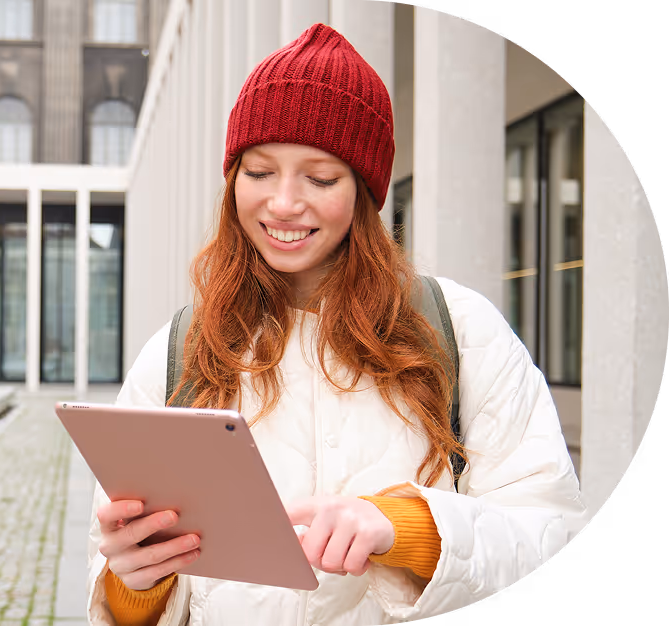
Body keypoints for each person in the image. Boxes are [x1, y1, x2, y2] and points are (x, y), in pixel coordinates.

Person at [85, 23, 587, 626]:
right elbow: (118, 572)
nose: (282, 203)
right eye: (258, 171)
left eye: (320, 178)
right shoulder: (182, 347)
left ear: (364, 193)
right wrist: (134, 586)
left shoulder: (461, 329)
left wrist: (409, 529)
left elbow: (550, 531)